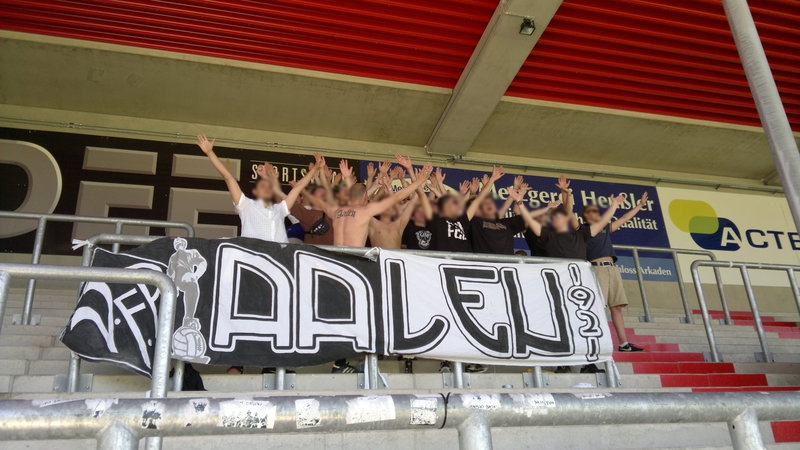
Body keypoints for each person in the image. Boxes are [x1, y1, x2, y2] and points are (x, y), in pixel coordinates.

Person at [197, 133, 318, 374]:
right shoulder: (245, 205)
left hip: (278, 272)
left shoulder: (280, 209)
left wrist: (314, 171)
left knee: (278, 315)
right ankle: (237, 363)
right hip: (252, 269)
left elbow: (298, 188)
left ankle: (273, 364)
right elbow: (228, 177)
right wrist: (210, 153)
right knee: (246, 314)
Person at [510, 183, 625, 374]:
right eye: (555, 217)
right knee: (561, 325)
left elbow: (603, 222)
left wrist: (614, 205)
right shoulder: (546, 235)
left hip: (580, 287)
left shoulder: (582, 234)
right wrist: (520, 202)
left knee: (583, 325)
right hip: (558, 287)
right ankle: (562, 363)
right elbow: (529, 220)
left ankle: (589, 363)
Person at [579, 192, 650, 353]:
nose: (596, 213)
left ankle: (623, 344)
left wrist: (640, 205)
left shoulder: (605, 227)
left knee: (616, 306)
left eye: (597, 211)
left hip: (612, 268)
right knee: (598, 307)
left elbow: (624, 218)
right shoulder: (584, 230)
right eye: (592, 211)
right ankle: (598, 343)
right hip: (596, 269)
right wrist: (614, 205)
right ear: (585, 215)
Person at [306, 163, 432, 247]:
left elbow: (319, 202)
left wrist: (348, 179)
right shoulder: (365, 211)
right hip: (354, 259)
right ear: (366, 198)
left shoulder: (336, 211)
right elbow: (397, 197)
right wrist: (420, 181)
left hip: (336, 258)